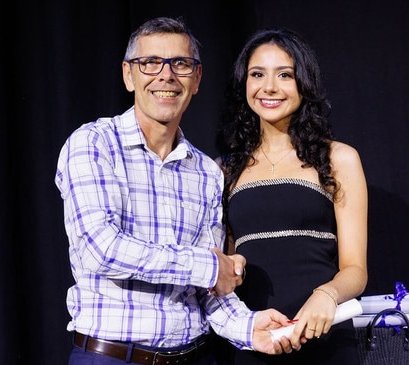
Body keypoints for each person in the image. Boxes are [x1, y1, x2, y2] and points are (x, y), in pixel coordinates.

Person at [54, 17, 294, 365]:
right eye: (150, 62)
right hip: (114, 358)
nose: (166, 75)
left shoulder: (207, 172)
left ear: (196, 79)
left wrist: (248, 326)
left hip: (196, 357)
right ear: (128, 74)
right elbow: (101, 249)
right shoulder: (93, 144)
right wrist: (209, 267)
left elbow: (208, 290)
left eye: (180, 63)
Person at [215, 27, 369, 364]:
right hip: (254, 340)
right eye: (257, 74)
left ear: (305, 84)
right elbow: (223, 271)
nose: (269, 87)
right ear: (244, 84)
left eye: (285, 75)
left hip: (324, 338)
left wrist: (326, 295)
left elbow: (356, 269)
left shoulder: (338, 159)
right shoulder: (223, 170)